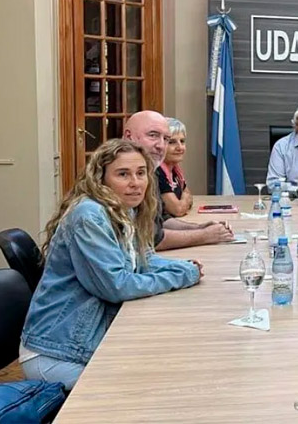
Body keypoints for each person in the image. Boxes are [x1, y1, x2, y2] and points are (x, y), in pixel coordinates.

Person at [19, 140, 203, 391]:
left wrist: (183, 268)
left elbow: (144, 260)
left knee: (169, 363)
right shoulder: (89, 215)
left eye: (141, 173)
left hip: (85, 339)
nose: (135, 183)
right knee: (152, 386)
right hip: (58, 352)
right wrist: (183, 276)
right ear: (101, 179)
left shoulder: (125, 209)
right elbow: (117, 286)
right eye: (123, 174)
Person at [124, 110, 233, 250]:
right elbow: (151, 239)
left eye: (165, 139)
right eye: (153, 135)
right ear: (129, 136)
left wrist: (200, 227)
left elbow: (161, 220)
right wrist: (205, 235)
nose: (161, 145)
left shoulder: (150, 172)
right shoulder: (115, 172)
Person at [157, 117, 193, 218]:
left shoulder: (175, 170)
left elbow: (188, 193)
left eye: (182, 141)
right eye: (172, 142)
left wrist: (184, 199)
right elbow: (177, 210)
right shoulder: (157, 171)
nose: (180, 147)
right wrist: (185, 199)